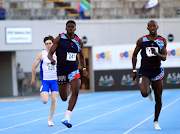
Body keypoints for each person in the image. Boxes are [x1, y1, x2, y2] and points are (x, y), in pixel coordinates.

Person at [48, 20, 87, 128]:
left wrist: (83, 68)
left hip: (73, 70)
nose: (70, 28)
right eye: (68, 27)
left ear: (75, 28)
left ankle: (67, 117)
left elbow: (82, 57)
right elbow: (50, 53)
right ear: (66, 28)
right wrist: (51, 60)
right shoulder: (59, 38)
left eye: (72, 27)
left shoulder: (78, 41)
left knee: (76, 89)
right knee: (64, 97)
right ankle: (68, 85)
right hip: (61, 71)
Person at [132, 20, 167, 130]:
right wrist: (134, 70)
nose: (152, 28)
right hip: (145, 71)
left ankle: (156, 121)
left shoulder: (162, 41)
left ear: (157, 27)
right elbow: (134, 55)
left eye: (154, 26)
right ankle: (148, 89)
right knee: (144, 93)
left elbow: (164, 57)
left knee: (158, 99)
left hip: (157, 72)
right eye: (150, 26)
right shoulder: (141, 40)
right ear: (147, 28)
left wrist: (156, 53)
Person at [30, 36, 59, 126]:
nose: (48, 45)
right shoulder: (41, 54)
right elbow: (34, 66)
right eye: (46, 43)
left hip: (55, 81)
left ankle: (50, 120)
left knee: (54, 100)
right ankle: (44, 91)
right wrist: (33, 79)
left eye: (50, 43)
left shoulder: (57, 53)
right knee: (45, 101)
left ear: (53, 44)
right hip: (45, 81)